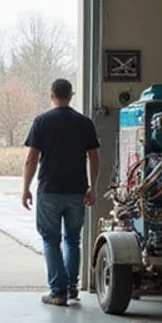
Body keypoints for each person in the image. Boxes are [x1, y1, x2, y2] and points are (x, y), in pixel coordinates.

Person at [20, 78, 101, 306]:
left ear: (51, 95)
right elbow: (94, 157)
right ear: (71, 95)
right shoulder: (84, 123)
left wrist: (26, 188)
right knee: (73, 240)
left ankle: (58, 292)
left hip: (50, 191)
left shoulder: (42, 122)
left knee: (50, 240)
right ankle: (71, 288)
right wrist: (93, 187)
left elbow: (31, 159)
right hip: (77, 191)